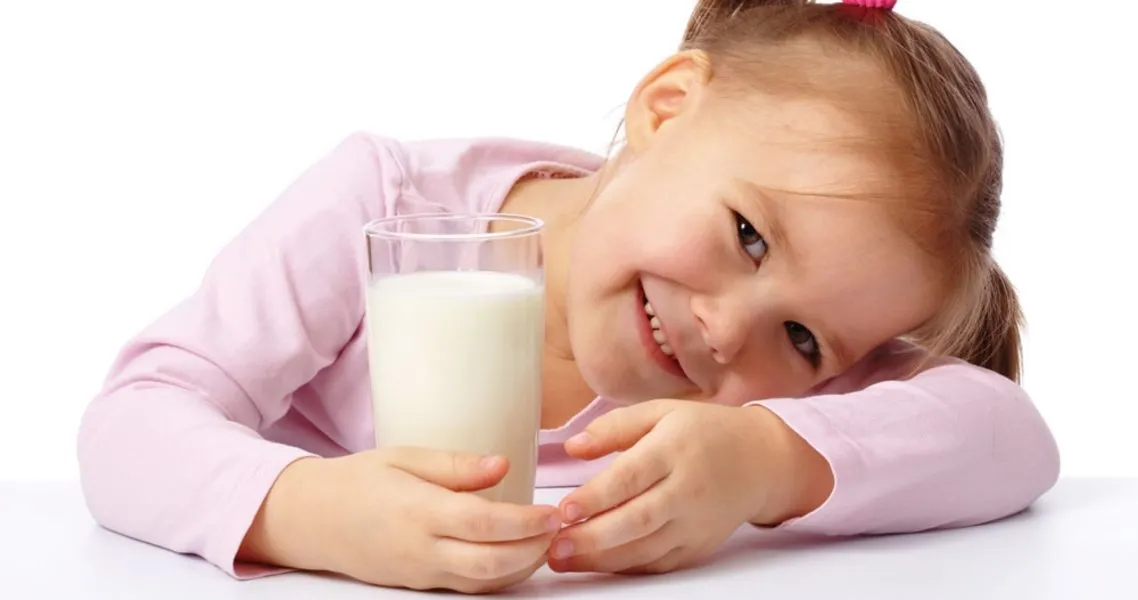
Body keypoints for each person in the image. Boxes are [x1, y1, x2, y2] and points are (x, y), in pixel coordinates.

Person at [76, 0, 1060, 594]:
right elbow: (134, 419)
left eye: (803, 338)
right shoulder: (386, 210)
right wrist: (310, 513)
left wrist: (767, 461)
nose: (727, 330)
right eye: (748, 235)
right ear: (667, 108)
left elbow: (1011, 437)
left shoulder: (763, 404)